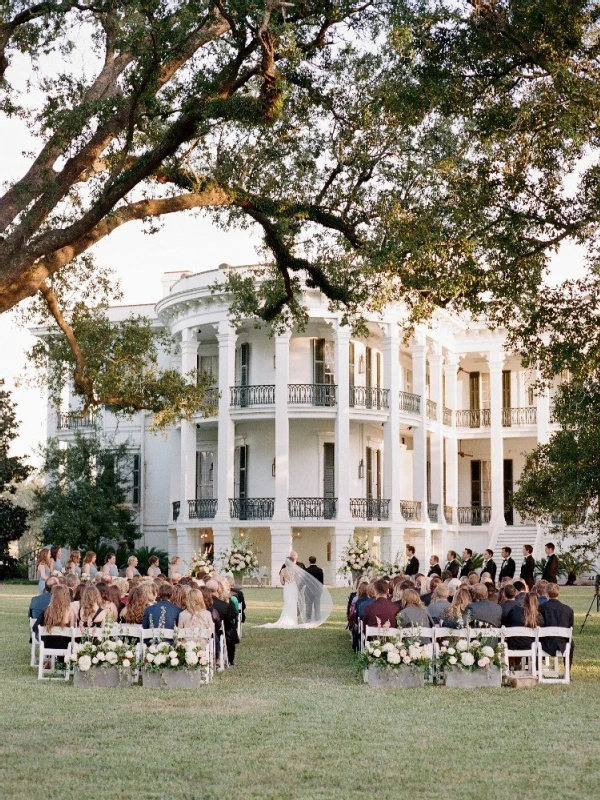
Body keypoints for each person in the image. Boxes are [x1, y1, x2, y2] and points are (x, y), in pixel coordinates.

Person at [33, 585, 76, 654]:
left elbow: (36, 627)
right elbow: (72, 628)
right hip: (64, 644)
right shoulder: (69, 611)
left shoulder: (47, 610)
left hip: (48, 643)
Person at [207, 578, 238, 665]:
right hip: (220, 632)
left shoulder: (203, 604)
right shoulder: (224, 606)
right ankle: (230, 659)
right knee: (231, 630)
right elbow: (229, 622)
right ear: (217, 589)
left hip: (209, 632)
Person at [539, 583, 574, 657]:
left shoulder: (540, 608)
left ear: (546, 594)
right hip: (562, 644)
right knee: (571, 642)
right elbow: (570, 626)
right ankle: (568, 666)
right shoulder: (568, 610)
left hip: (545, 643)